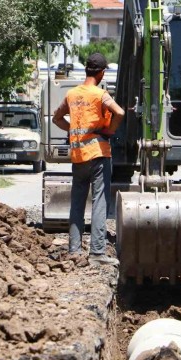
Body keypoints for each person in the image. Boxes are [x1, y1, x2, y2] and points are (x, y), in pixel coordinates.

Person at [52, 53, 125, 266]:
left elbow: (57, 118)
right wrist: (108, 130)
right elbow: (119, 112)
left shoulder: (72, 94)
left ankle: (74, 250)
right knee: (99, 200)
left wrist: (73, 129)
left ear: (86, 70)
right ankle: (97, 252)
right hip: (98, 154)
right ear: (101, 73)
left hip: (78, 156)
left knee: (77, 202)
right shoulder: (100, 94)